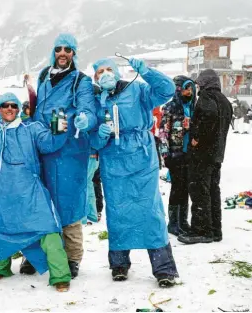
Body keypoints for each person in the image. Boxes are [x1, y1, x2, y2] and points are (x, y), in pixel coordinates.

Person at [0, 92, 72, 292]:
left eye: (13, 105)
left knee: (47, 229)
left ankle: (60, 275)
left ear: (18, 108)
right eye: (5, 105)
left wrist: (60, 130)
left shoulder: (32, 128)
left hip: (30, 191)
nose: (9, 109)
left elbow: (49, 143)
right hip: (0, 194)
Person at [90, 57, 179, 288]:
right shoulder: (97, 102)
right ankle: (119, 264)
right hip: (112, 160)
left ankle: (163, 268)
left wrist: (148, 72)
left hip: (141, 155)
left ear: (118, 72)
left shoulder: (137, 89)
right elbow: (94, 143)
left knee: (149, 211)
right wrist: (100, 133)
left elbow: (167, 90)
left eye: (109, 69)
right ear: (95, 78)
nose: (106, 74)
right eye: (100, 71)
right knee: (118, 211)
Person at [30, 33, 97, 278]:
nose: (62, 53)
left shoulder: (81, 81)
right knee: (42, 203)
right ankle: (41, 253)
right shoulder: (43, 77)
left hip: (70, 150)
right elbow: (38, 109)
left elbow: (87, 107)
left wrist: (86, 118)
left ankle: (72, 257)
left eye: (68, 49)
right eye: (58, 49)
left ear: (74, 54)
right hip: (44, 149)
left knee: (69, 204)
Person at [178, 69, 233, 245]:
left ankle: (201, 230)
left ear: (207, 82)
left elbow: (209, 116)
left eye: (200, 81)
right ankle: (215, 229)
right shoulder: (224, 100)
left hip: (203, 154)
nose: (198, 85)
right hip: (217, 154)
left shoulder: (207, 97)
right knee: (212, 191)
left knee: (199, 191)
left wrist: (196, 138)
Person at [159, 75, 196, 236]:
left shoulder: (193, 107)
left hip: (190, 154)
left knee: (186, 188)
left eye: (191, 88)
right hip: (175, 154)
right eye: (186, 88)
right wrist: (166, 155)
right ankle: (173, 223)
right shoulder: (170, 107)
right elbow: (162, 132)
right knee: (177, 188)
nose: (190, 91)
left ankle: (183, 221)